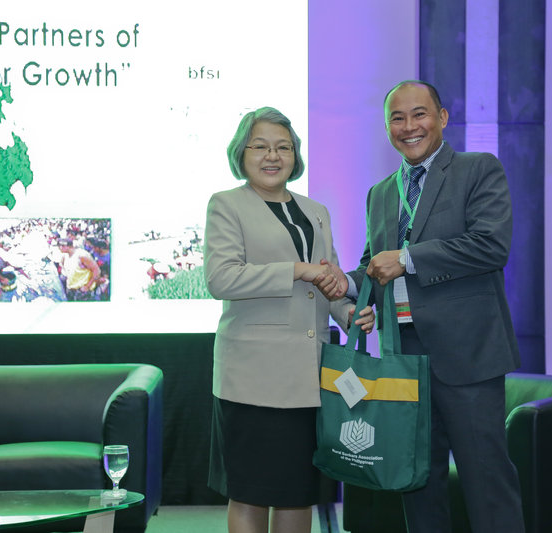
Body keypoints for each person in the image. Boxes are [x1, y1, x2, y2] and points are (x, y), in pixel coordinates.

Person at [314, 80, 525, 533]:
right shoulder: (380, 193)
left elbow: (491, 245)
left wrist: (408, 258)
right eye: (397, 118)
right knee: (417, 484)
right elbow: (375, 264)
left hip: (468, 356)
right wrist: (344, 284)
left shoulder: (477, 169)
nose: (409, 126)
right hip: (403, 357)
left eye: (420, 114)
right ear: (387, 128)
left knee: (486, 482)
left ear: (442, 118)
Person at [203, 106, 374, 533]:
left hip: (309, 377)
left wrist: (349, 312)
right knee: (250, 492)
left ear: (295, 156)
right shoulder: (226, 205)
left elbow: (329, 282)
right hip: (252, 378)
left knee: (298, 491)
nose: (272, 156)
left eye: (283, 147)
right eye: (260, 146)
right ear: (241, 153)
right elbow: (221, 278)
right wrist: (297, 270)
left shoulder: (316, 211)